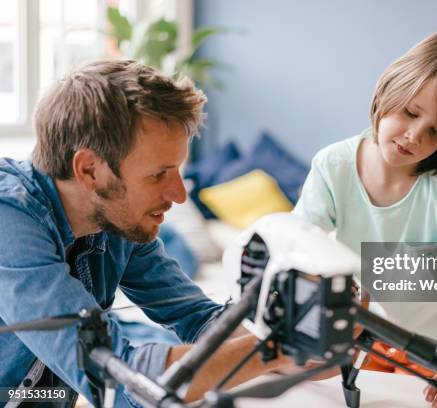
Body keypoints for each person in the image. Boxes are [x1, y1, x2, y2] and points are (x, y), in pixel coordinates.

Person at [0, 60, 293, 407]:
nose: (179, 194)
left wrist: (315, 336)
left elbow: (200, 319)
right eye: (158, 175)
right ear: (90, 170)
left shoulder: (116, 222)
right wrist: (276, 351)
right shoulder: (9, 221)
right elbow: (122, 381)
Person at [293, 30, 437, 408]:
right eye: (410, 113)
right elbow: (301, 248)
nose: (413, 137)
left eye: (435, 132)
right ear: (391, 89)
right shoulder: (333, 165)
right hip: (369, 331)